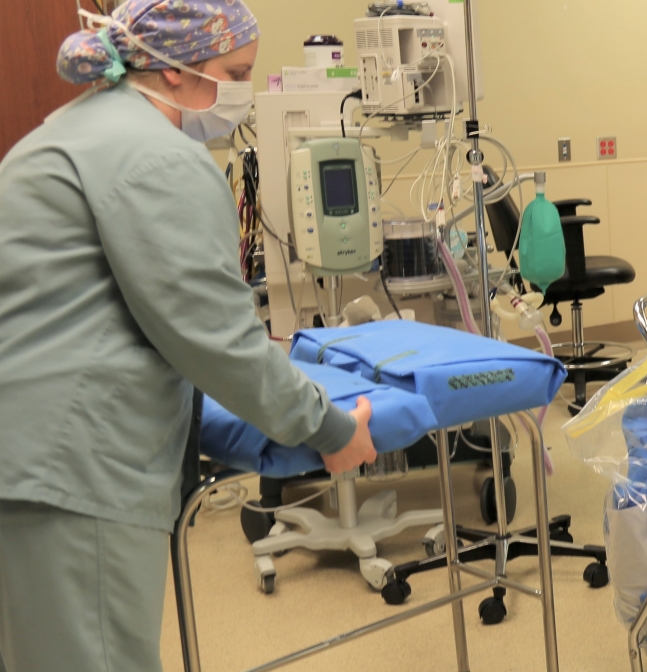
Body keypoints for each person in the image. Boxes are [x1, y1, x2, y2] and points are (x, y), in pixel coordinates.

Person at [0, 2, 378, 670]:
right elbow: (217, 340)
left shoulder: (68, 132)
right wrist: (332, 430)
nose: (238, 93)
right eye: (234, 72)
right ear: (173, 70)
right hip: (75, 467)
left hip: (29, 458)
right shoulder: (157, 157)